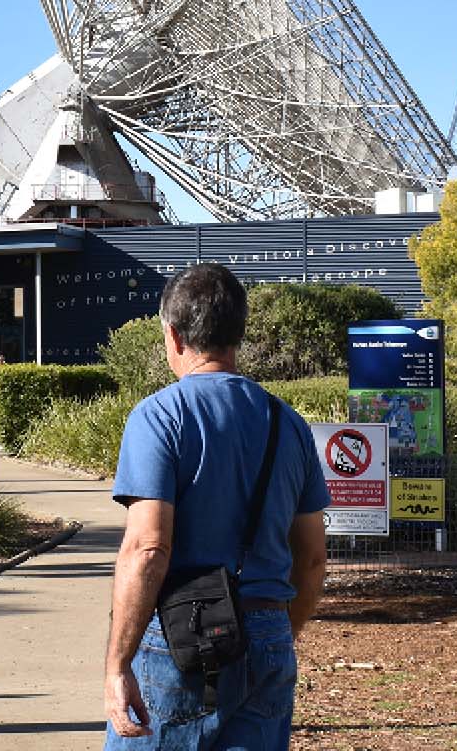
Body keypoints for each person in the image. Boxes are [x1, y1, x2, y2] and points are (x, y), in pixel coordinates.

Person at [103, 263, 329, 750]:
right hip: (268, 630)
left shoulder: (159, 416)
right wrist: (275, 634)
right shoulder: (288, 423)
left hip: (181, 637)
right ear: (237, 334)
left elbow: (147, 548)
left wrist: (118, 666)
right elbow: (311, 557)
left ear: (175, 335)